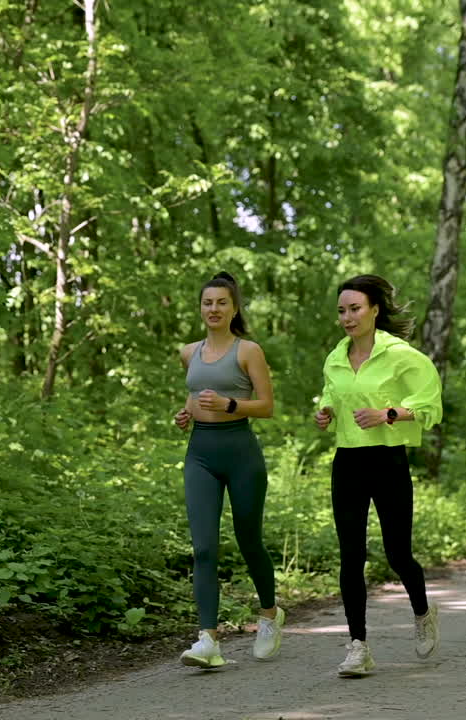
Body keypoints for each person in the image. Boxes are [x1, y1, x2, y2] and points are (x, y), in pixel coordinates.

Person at [313, 274, 443, 677]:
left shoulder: (401, 355)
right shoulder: (335, 356)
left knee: (397, 554)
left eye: (354, 309)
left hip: (388, 460)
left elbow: (430, 404)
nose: (347, 317)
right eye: (341, 311)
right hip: (348, 462)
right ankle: (358, 646)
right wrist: (325, 412)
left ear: (374, 310)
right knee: (351, 556)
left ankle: (422, 612)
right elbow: (332, 394)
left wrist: (389, 413)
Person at [172, 271, 284, 668]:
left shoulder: (247, 350)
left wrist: (230, 405)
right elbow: (192, 394)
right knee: (203, 547)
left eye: (221, 302)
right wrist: (185, 414)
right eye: (207, 303)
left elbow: (267, 407)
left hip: (241, 453)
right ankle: (207, 639)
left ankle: (270, 615)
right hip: (200, 453)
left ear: (234, 307)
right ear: (200, 308)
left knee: (248, 540)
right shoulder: (189, 352)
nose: (213, 309)